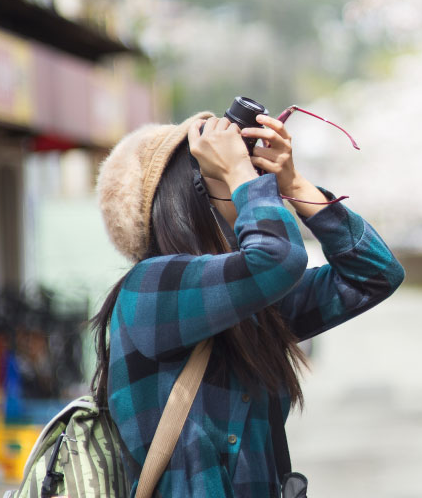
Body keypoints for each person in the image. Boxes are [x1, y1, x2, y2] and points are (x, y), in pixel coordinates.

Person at [89, 111, 404, 497]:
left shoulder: (247, 305)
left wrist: (294, 183)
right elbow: (279, 258)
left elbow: (375, 273)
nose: (251, 184)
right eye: (225, 173)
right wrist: (241, 175)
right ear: (186, 199)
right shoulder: (150, 288)